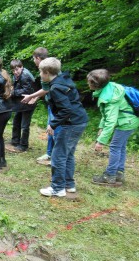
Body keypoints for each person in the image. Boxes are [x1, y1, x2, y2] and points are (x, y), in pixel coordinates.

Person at [38, 58, 88, 197]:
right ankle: (68, 184)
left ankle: (57, 188)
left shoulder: (55, 88)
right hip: (80, 121)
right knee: (68, 153)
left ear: (47, 72)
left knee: (58, 155)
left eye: (41, 72)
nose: (40, 75)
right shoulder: (63, 79)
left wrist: (53, 124)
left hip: (72, 124)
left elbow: (66, 110)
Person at [87, 69, 139, 185]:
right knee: (120, 146)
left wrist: (101, 142)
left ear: (95, 84)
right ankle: (119, 173)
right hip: (131, 120)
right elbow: (106, 114)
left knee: (115, 147)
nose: (87, 84)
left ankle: (110, 176)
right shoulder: (110, 88)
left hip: (126, 122)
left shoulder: (110, 98)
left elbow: (111, 121)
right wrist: (101, 127)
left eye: (89, 82)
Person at [20, 47, 57, 164]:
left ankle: (55, 157)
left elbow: (48, 89)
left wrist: (31, 96)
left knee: (54, 128)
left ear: (37, 58)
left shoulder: (50, 69)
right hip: (51, 104)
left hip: (57, 105)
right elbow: (46, 89)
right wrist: (34, 96)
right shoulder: (45, 68)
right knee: (50, 129)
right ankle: (49, 153)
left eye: (34, 59)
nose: (34, 62)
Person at [8, 59, 37, 152]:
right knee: (16, 122)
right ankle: (15, 140)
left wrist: (13, 92)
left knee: (24, 125)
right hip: (21, 103)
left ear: (21, 67)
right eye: (13, 70)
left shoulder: (25, 76)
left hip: (28, 103)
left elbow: (27, 90)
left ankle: (23, 145)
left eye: (17, 70)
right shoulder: (17, 75)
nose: (15, 72)